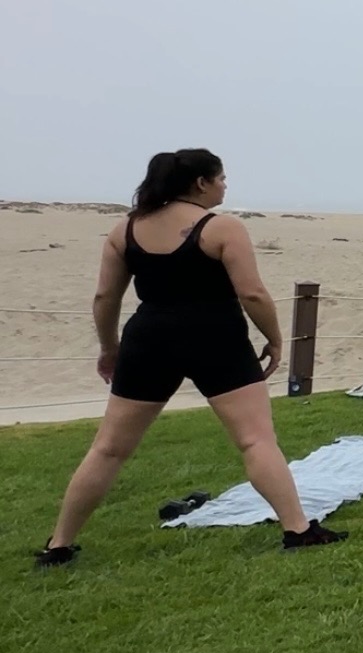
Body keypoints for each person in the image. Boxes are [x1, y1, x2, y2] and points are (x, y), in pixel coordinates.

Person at [36, 150, 344, 567]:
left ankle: (58, 545)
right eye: (221, 178)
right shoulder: (222, 227)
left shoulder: (126, 229)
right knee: (256, 440)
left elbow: (105, 297)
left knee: (108, 449)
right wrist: (275, 339)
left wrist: (110, 348)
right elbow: (252, 293)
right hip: (216, 337)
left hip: (149, 339)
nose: (225, 185)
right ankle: (298, 530)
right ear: (201, 183)